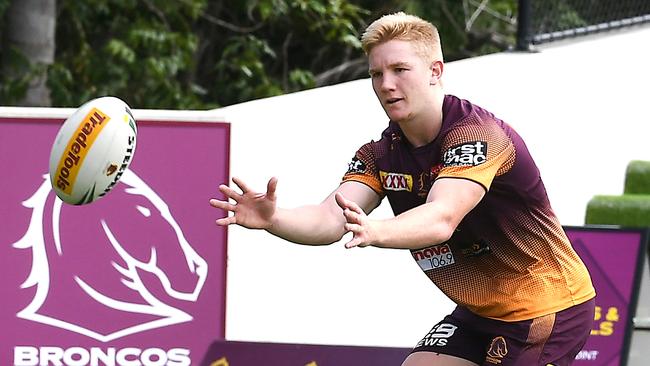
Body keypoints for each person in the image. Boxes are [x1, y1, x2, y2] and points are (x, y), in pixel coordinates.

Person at [209, 12, 596, 366]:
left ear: (435, 70)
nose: (386, 84)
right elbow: (329, 218)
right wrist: (276, 218)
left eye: (399, 69)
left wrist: (375, 231)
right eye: (376, 74)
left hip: (547, 304)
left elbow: (441, 217)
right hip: (481, 311)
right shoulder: (381, 154)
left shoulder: (478, 136)